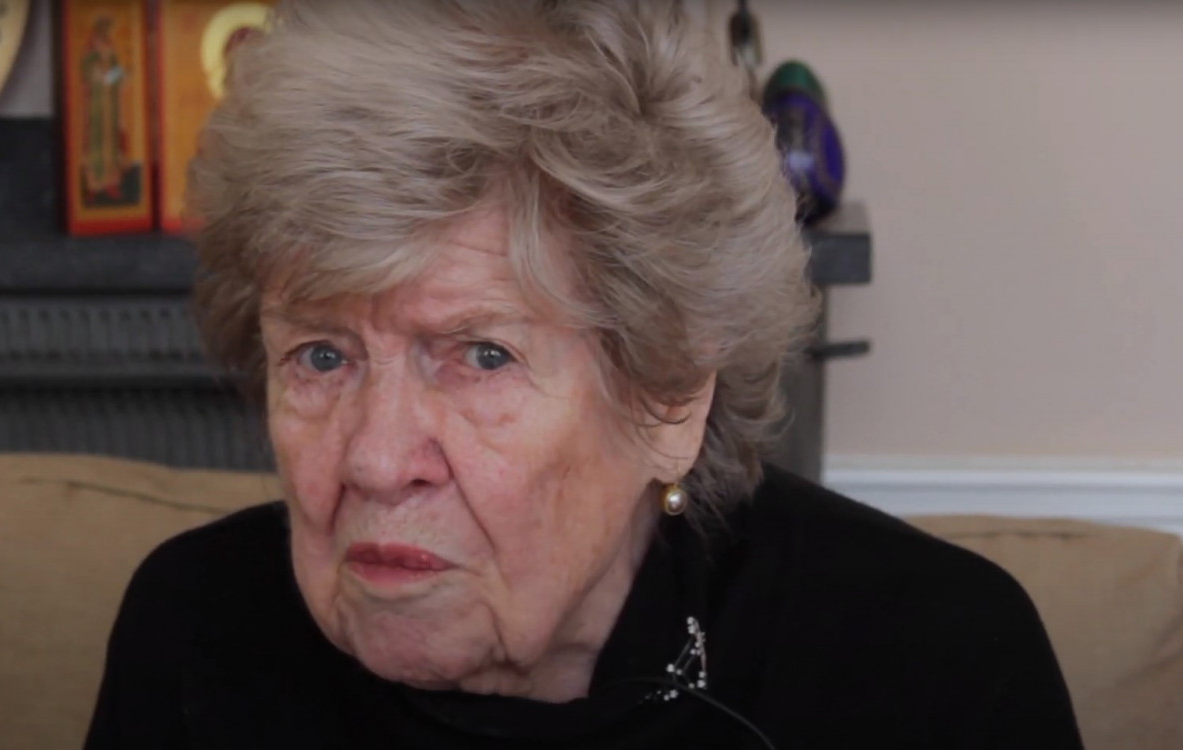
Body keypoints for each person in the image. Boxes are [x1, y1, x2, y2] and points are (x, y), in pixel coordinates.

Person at [84, 2, 1084, 748]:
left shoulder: (931, 668)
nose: (377, 462)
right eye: (321, 356)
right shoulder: (195, 632)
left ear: (668, 397)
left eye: (482, 355)